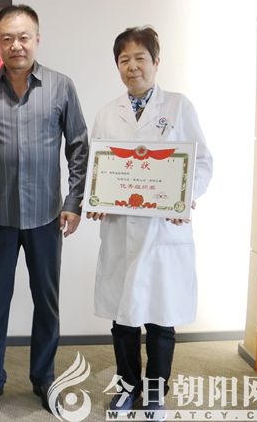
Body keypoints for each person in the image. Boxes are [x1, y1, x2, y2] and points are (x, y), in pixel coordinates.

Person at [0, 4, 89, 415]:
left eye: (24, 37)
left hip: (47, 216)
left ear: (37, 39)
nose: (16, 45)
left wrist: (73, 201)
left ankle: (44, 378)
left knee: (46, 302)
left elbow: (78, 146)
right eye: (7, 38)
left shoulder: (61, 86)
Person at [87, 26, 213, 417]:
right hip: (122, 229)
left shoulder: (178, 107)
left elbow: (202, 162)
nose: (132, 66)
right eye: (124, 60)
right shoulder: (107, 112)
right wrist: (96, 198)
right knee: (123, 319)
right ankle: (127, 389)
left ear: (156, 62)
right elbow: (97, 166)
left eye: (140, 58)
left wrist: (185, 198)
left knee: (160, 319)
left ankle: (155, 392)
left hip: (163, 231)